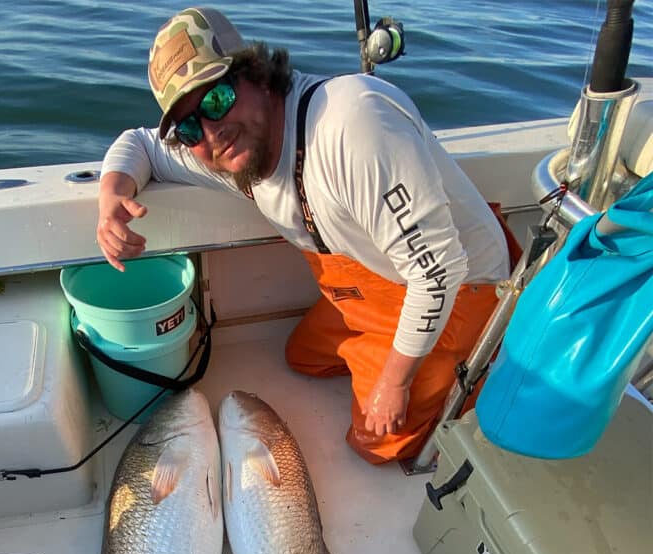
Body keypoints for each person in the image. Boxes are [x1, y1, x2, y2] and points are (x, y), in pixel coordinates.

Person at [96, 7, 521, 463]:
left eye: (216, 99)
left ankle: (490, 369)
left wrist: (393, 384)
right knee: (302, 358)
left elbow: (439, 272)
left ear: (257, 74)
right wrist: (110, 201)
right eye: (189, 126)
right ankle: (396, 361)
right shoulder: (227, 150)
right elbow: (139, 144)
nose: (212, 132)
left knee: (378, 442)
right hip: (377, 275)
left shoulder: (353, 126)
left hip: (462, 285)